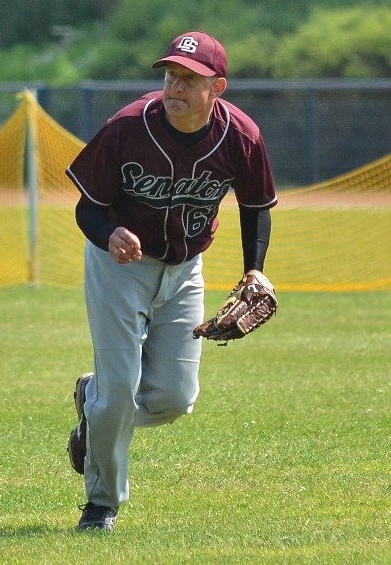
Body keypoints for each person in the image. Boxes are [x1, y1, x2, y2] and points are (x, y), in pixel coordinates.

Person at [64, 31, 278, 531]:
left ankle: (92, 406)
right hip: (118, 267)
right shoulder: (127, 127)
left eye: (190, 79)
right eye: (170, 75)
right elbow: (87, 207)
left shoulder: (241, 136)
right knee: (119, 392)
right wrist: (110, 230)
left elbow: (255, 207)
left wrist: (255, 268)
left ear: (217, 87)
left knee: (174, 398)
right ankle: (102, 504)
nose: (175, 87)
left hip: (185, 270)